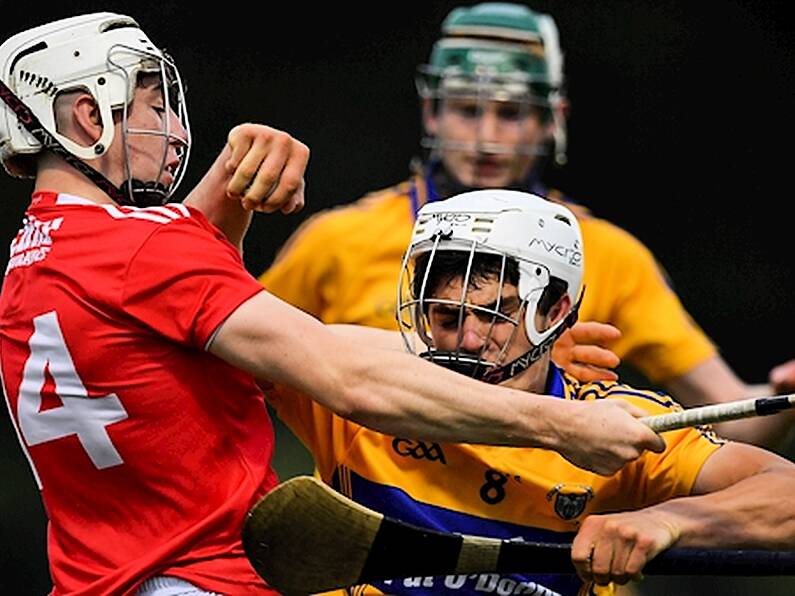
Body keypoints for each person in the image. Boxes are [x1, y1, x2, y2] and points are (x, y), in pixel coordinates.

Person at [0, 13, 666, 596]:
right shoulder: (142, 250)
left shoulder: (33, 266)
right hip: (207, 579)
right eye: (152, 104)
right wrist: (555, 423)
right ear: (89, 114)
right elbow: (343, 376)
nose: (172, 126)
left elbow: (228, 314)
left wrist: (494, 357)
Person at [259, 2, 795, 447]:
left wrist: (785, 395)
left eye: (511, 113)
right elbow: (238, 374)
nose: (487, 136)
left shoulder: (608, 253)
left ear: (551, 121)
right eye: (468, 109)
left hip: (552, 557)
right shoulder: (337, 241)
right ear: (431, 113)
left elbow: (736, 421)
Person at [265, 189, 795, 595]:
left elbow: (785, 493)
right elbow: (234, 333)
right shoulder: (360, 398)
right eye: (446, 317)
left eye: (497, 315)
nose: (469, 341)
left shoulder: (615, 426)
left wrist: (669, 522)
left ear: (556, 312)